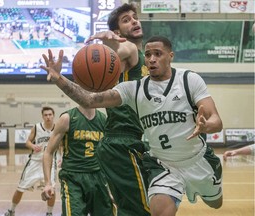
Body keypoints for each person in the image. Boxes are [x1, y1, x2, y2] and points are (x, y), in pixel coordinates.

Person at [40, 35, 223, 216]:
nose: (151, 59)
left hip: (197, 160)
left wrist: (207, 126)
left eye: (158, 54)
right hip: (164, 166)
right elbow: (89, 100)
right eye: (148, 54)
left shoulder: (188, 80)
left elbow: (216, 120)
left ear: (170, 56)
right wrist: (59, 78)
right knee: (159, 212)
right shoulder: (133, 89)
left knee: (215, 203)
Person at [84, 3, 150, 215]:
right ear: (118, 32)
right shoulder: (129, 49)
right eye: (126, 20)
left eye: (134, 17)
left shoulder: (146, 57)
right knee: (146, 210)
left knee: (128, 210)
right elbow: (117, 52)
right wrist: (109, 45)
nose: (134, 21)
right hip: (124, 140)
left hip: (132, 140)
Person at [41, 106, 117, 215]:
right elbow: (48, 152)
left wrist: (112, 187)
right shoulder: (67, 118)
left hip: (98, 177)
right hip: (73, 177)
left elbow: (108, 156)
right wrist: (48, 183)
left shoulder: (103, 120)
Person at [4, 106, 57, 216]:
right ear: (42, 116)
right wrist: (33, 146)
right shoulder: (37, 127)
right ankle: (11, 211)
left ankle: (49, 213)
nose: (48, 117)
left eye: (50, 115)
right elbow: (27, 142)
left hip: (50, 164)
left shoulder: (57, 128)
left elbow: (62, 145)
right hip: (34, 162)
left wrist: (62, 158)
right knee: (20, 188)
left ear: (53, 115)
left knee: (51, 190)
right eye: (45, 115)